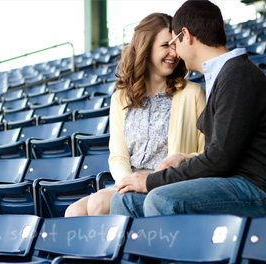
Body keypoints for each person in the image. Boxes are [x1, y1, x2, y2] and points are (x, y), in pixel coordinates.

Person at [110, 0, 266, 217]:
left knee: (161, 199)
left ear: (186, 35)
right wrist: (183, 158)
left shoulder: (238, 75)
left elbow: (220, 158)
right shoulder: (223, 75)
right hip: (229, 180)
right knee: (125, 200)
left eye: (175, 42)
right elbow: (219, 153)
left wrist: (152, 180)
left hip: (253, 187)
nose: (176, 53)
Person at [65, 13, 206, 217]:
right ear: (145, 48)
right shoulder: (120, 98)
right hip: (128, 182)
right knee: (73, 212)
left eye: (175, 45)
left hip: (166, 184)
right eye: (165, 45)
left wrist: (179, 160)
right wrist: (128, 183)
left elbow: (206, 154)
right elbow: (118, 156)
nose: (174, 53)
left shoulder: (192, 93)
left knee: (98, 205)